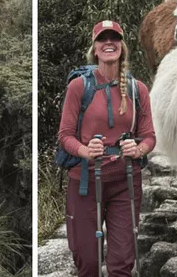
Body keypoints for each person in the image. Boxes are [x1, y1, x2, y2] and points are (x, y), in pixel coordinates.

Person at [58, 20, 156, 277]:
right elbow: (65, 135)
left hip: (126, 181)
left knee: (121, 264)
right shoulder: (79, 87)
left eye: (114, 38)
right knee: (87, 263)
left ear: (122, 47)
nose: (109, 43)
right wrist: (84, 150)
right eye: (103, 39)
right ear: (95, 47)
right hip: (85, 181)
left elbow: (149, 137)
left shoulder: (138, 89)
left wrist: (139, 149)